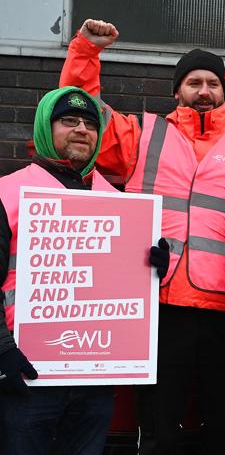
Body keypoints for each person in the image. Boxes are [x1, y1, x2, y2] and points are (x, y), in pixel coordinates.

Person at [59, 19, 225, 454]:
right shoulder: (144, 133)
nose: (204, 90)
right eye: (194, 82)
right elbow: (84, 114)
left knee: (223, 422)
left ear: (224, 91)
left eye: (213, 82)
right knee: (158, 423)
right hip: (159, 302)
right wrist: (85, 52)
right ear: (178, 90)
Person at [0, 87, 167, 455]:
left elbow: (123, 291)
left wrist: (154, 270)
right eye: (69, 121)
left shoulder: (120, 205)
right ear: (46, 126)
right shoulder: (7, 193)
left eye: (90, 124)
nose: (81, 130)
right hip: (27, 374)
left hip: (94, 378)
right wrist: (2, 352)